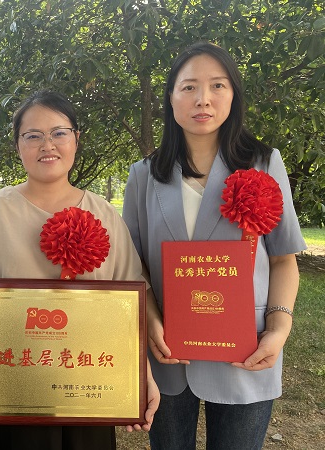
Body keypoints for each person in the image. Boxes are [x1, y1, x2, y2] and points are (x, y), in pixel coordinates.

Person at [0, 90, 160, 450]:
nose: (47, 145)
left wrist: (143, 377)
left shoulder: (106, 217)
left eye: (59, 133)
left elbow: (127, 312)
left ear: (76, 139)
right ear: (18, 146)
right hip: (2, 394)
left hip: (83, 394)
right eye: (32, 135)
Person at [122, 42, 306, 450]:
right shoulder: (144, 175)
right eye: (188, 87)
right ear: (171, 98)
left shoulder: (264, 163)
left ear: (233, 94)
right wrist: (150, 320)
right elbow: (134, 265)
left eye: (217, 85)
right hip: (169, 352)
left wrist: (279, 329)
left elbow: (283, 259)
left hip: (246, 348)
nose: (202, 99)